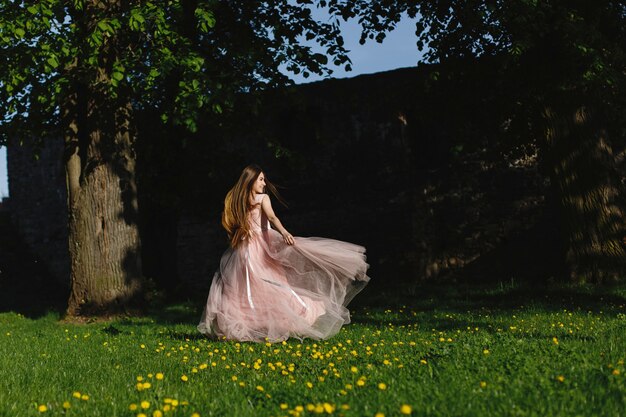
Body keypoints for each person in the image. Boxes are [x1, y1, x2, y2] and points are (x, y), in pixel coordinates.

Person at [198, 164, 370, 342]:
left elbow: (235, 220)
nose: (264, 184)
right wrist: (284, 232)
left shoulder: (237, 199)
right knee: (272, 283)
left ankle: (251, 323)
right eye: (261, 179)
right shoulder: (262, 198)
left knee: (247, 287)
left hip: (244, 249)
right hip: (259, 248)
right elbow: (272, 217)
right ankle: (297, 312)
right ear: (251, 180)